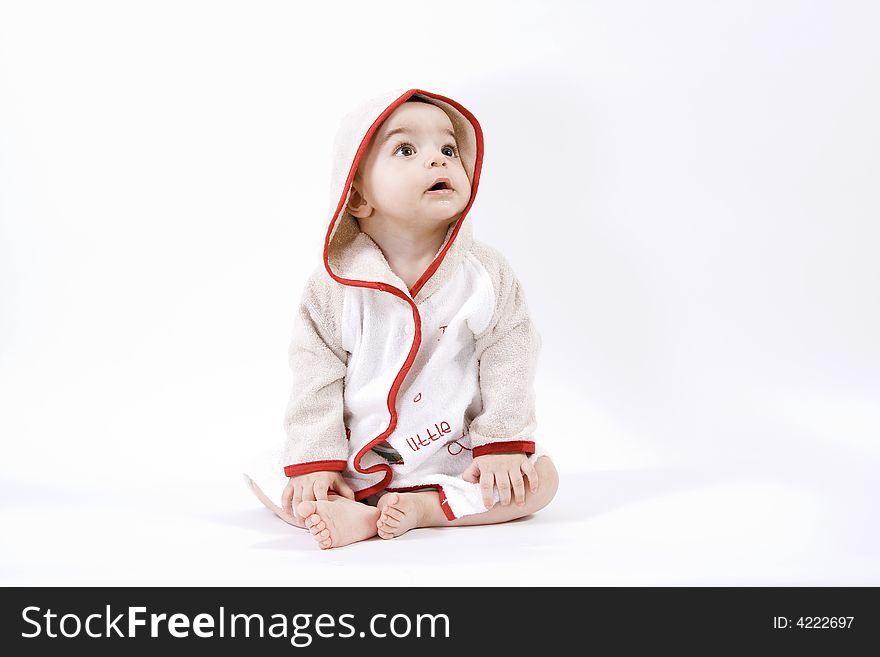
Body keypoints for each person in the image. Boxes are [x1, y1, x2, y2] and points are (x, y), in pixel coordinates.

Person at [242, 87, 558, 549]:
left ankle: (422, 509)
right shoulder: (335, 286)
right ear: (357, 197)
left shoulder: (484, 274)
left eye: (449, 149)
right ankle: (350, 505)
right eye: (406, 149)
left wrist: (501, 442)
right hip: (356, 455)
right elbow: (315, 373)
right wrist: (318, 460)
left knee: (540, 483)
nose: (439, 160)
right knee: (276, 480)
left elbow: (512, 352)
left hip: (454, 450)